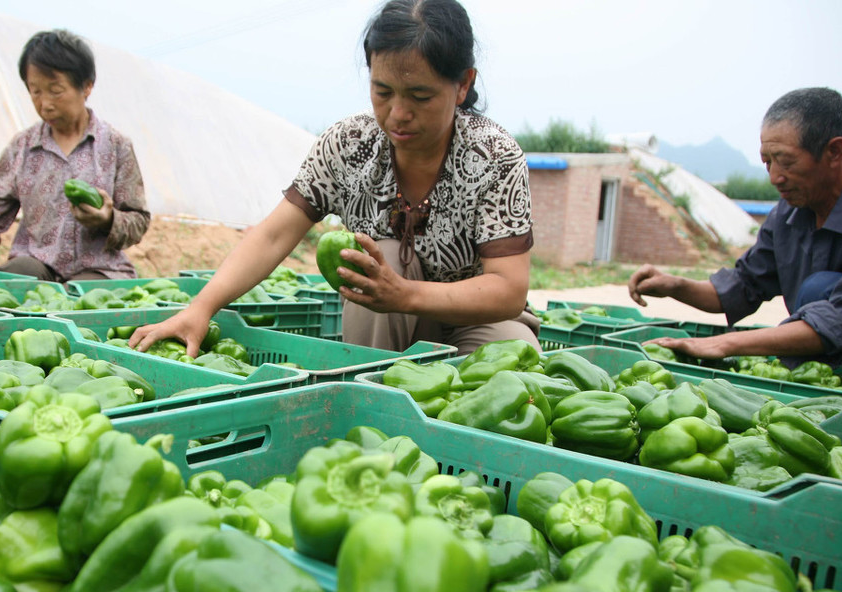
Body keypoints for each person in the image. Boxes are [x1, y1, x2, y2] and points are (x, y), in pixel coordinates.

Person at [130, 0, 538, 357]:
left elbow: (508, 288)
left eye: (420, 96)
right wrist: (200, 308)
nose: (397, 113)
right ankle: (371, 402)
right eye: (382, 91)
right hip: (384, 320)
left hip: (476, 322)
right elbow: (273, 235)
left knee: (514, 367)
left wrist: (407, 294)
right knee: (377, 257)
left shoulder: (493, 156)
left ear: (463, 84)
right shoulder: (349, 145)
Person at [629, 87, 842, 366]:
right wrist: (674, 285)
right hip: (818, 368)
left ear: (835, 151)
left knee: (819, 288)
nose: (774, 177)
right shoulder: (789, 213)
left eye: (786, 161)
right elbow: (743, 286)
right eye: (768, 162)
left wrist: (725, 343)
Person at [0, 30, 150, 282]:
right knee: (18, 276)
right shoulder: (22, 147)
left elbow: (138, 220)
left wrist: (108, 220)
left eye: (55, 91)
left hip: (99, 271)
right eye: (35, 91)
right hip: (36, 266)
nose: (45, 104)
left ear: (87, 86)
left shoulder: (116, 146)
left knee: (86, 297)